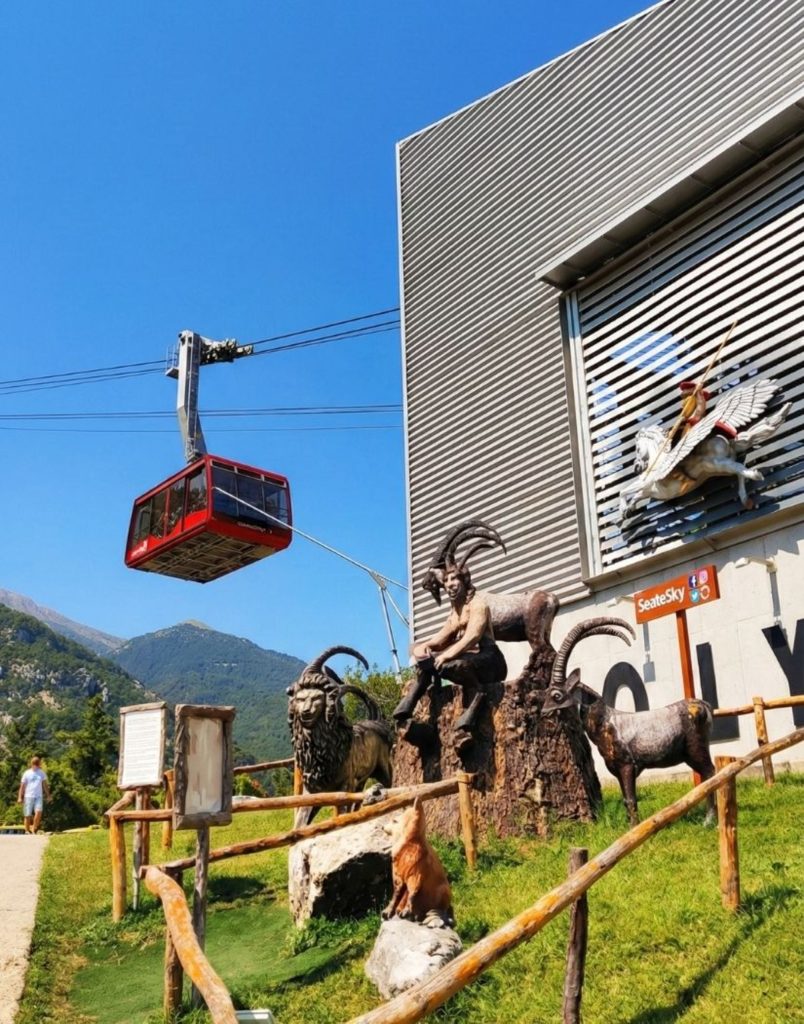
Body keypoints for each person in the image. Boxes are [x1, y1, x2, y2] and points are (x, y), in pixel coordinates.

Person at [394, 562, 507, 751]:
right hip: (468, 657)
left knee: (455, 666)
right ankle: (407, 709)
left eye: (454, 579)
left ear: (464, 580)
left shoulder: (478, 604)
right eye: (446, 581)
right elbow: (442, 638)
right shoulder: (456, 610)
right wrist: (425, 647)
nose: (449, 585)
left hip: (490, 660)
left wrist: (446, 656)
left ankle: (470, 715)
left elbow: (472, 636)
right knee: (427, 664)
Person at [18, 756, 50, 834]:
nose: (36, 765)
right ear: (31, 764)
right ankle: (27, 830)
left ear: (39, 764)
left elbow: (45, 785)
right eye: (34, 764)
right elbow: (22, 786)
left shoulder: (41, 773)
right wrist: (20, 797)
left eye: (37, 764)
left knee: (38, 812)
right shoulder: (27, 773)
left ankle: (34, 828)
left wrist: (48, 795)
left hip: (38, 796)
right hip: (28, 796)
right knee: (27, 814)